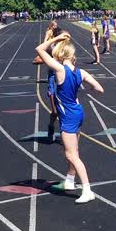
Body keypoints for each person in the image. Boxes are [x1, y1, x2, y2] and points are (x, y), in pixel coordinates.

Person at [35, 33, 104, 204]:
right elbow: (99, 89)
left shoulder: (59, 70)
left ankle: (87, 190)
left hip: (68, 117)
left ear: (60, 54)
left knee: (72, 155)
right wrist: (78, 91)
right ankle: (70, 181)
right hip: (78, 111)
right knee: (75, 151)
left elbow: (39, 49)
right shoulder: (81, 72)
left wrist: (56, 39)